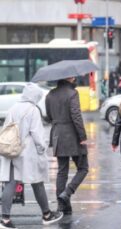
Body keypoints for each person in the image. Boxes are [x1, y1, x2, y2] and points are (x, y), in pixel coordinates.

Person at [0, 83, 63, 229]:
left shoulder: (13, 108)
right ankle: (47, 215)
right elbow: (36, 134)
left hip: (11, 150)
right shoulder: (33, 110)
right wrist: (43, 148)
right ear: (34, 95)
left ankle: (5, 219)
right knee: (37, 182)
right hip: (27, 154)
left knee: (10, 183)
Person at [46, 77, 89, 215]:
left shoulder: (50, 94)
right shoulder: (73, 93)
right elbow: (76, 116)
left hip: (58, 135)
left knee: (62, 171)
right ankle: (68, 192)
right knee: (83, 168)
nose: (74, 78)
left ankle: (62, 206)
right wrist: (82, 136)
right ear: (67, 78)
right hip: (73, 136)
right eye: (72, 76)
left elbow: (48, 116)